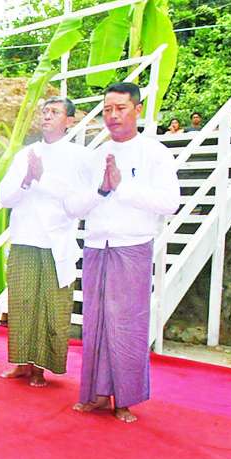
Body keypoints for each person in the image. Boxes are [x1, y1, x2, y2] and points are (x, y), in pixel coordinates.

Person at [67, 82, 180, 423]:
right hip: (96, 245)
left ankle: (124, 399)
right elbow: (73, 206)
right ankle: (98, 394)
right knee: (96, 323)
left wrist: (123, 186)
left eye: (120, 108)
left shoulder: (155, 153)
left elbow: (170, 202)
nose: (112, 116)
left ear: (137, 110)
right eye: (107, 109)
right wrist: (102, 189)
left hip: (132, 246)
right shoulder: (93, 156)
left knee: (126, 325)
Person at [0, 97, 91, 388]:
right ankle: (21, 363)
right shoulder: (26, 154)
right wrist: (27, 179)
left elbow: (77, 200)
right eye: (45, 111)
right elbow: (5, 197)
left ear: (70, 120)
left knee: (51, 306)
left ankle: (41, 367)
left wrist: (42, 178)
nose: (47, 116)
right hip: (25, 237)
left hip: (57, 242)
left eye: (55, 112)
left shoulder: (79, 157)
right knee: (22, 303)